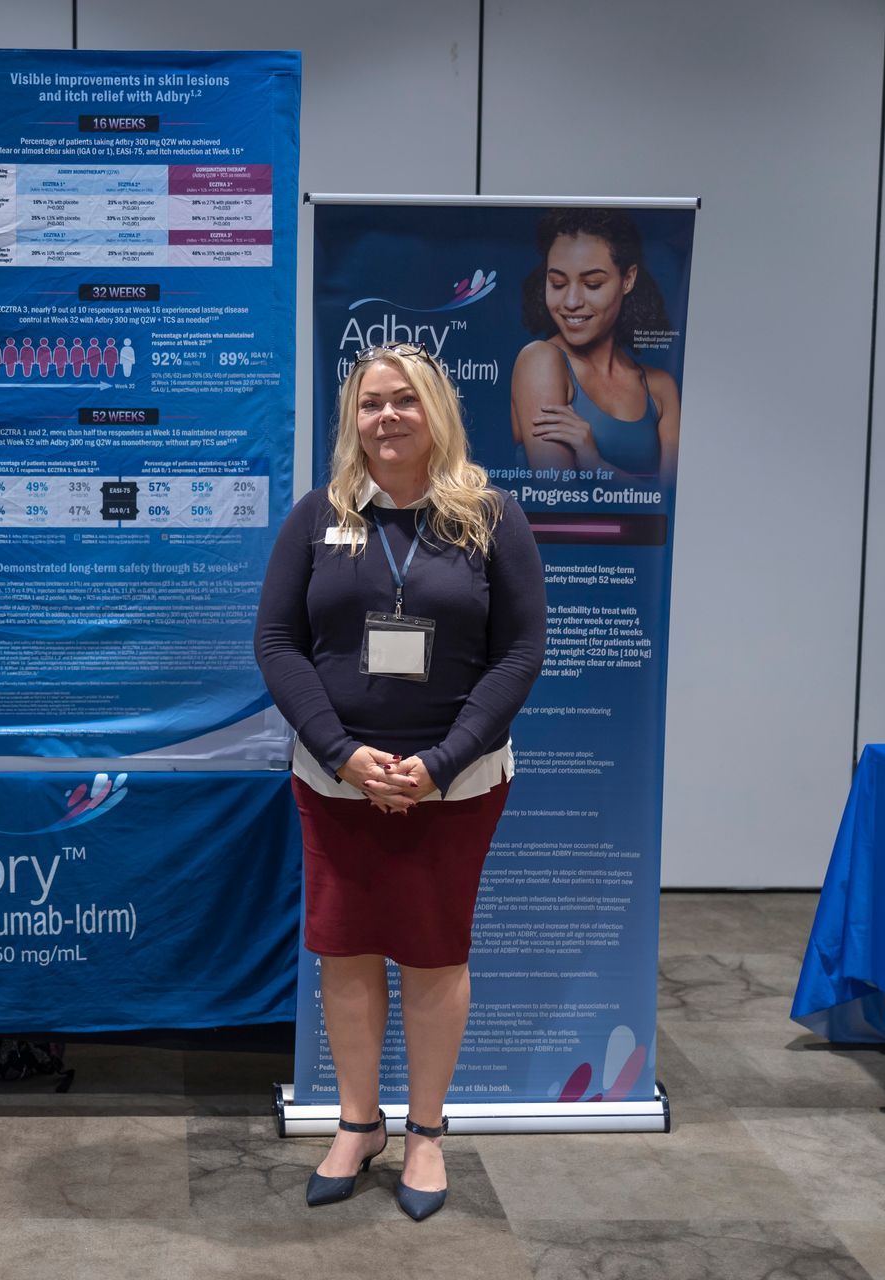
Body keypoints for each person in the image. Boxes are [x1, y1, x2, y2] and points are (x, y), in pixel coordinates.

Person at [254, 343, 546, 1222]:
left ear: (435, 412)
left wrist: (441, 761)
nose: (386, 418)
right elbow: (277, 645)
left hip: (454, 785)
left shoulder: (491, 517)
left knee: (431, 951)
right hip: (336, 780)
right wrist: (343, 752)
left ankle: (424, 1132)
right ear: (354, 419)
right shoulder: (319, 516)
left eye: (404, 402)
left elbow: (521, 651)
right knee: (344, 949)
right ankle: (356, 1121)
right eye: (371, 403)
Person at [510, 208, 681, 484]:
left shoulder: (660, 389)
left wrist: (595, 464)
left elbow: (669, 505)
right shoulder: (540, 361)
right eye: (557, 283)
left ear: (628, 279)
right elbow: (558, 497)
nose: (571, 301)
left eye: (592, 284)